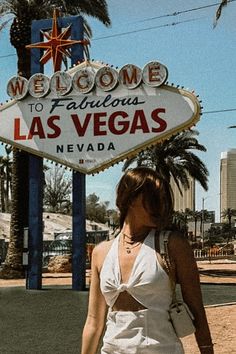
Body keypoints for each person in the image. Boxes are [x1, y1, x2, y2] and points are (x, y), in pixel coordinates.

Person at [81, 167, 214, 354]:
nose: (161, 206)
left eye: (163, 199)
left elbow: (196, 309)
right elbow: (94, 320)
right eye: (154, 198)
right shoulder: (101, 252)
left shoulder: (173, 245)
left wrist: (207, 350)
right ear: (131, 198)